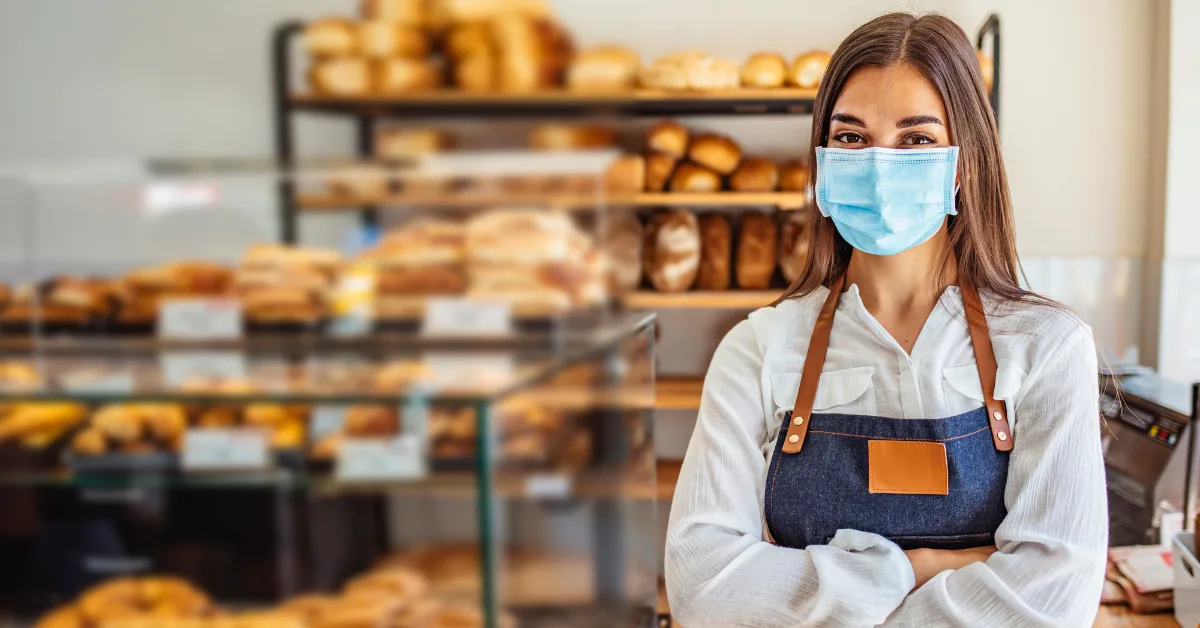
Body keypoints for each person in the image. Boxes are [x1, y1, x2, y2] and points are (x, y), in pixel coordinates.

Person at [665, 12, 1107, 628]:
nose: (877, 163)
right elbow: (703, 586)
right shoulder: (758, 350)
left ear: (965, 163)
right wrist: (911, 569)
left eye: (916, 140)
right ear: (821, 163)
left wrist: (811, 589)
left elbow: (1054, 601)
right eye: (851, 138)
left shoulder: (1048, 347)